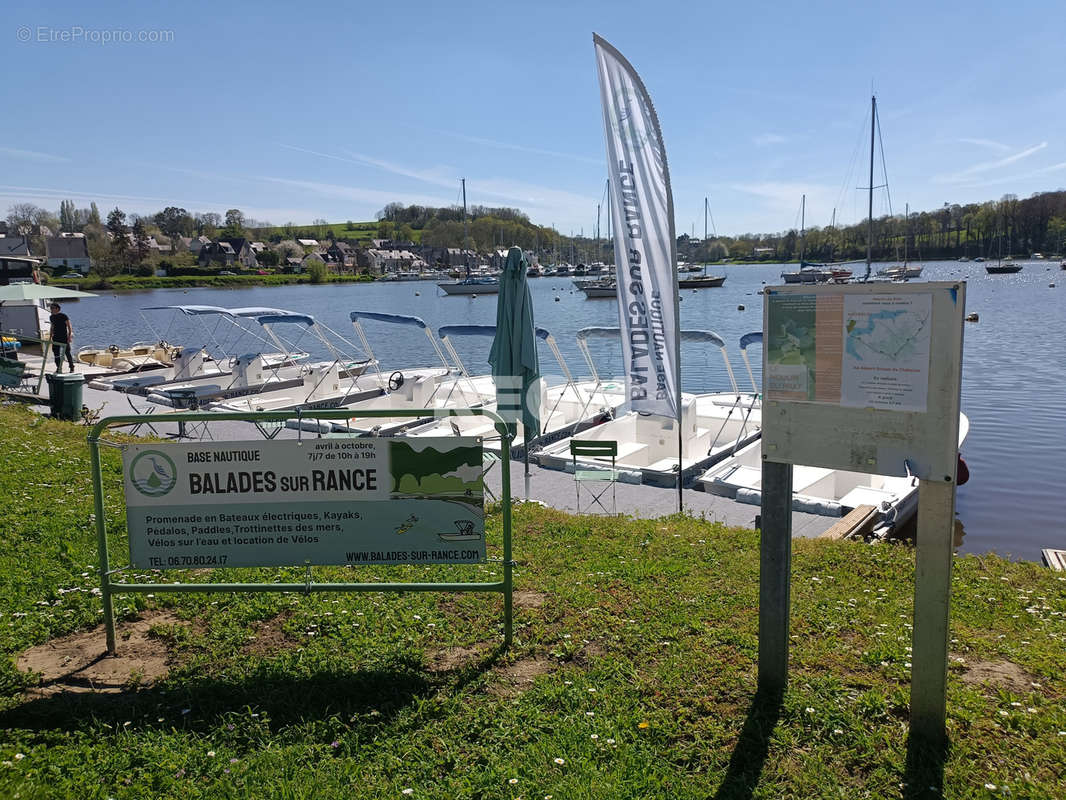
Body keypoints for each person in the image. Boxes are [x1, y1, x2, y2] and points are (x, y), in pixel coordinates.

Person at [48, 302, 75, 373]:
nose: (51, 309)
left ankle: (71, 367)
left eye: (52, 308)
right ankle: (58, 367)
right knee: (56, 353)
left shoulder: (63, 316)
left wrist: (69, 337)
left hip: (64, 337)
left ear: (57, 309)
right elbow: (52, 326)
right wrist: (50, 337)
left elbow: (69, 326)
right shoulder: (51, 317)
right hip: (56, 337)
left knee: (67, 352)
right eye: (51, 308)